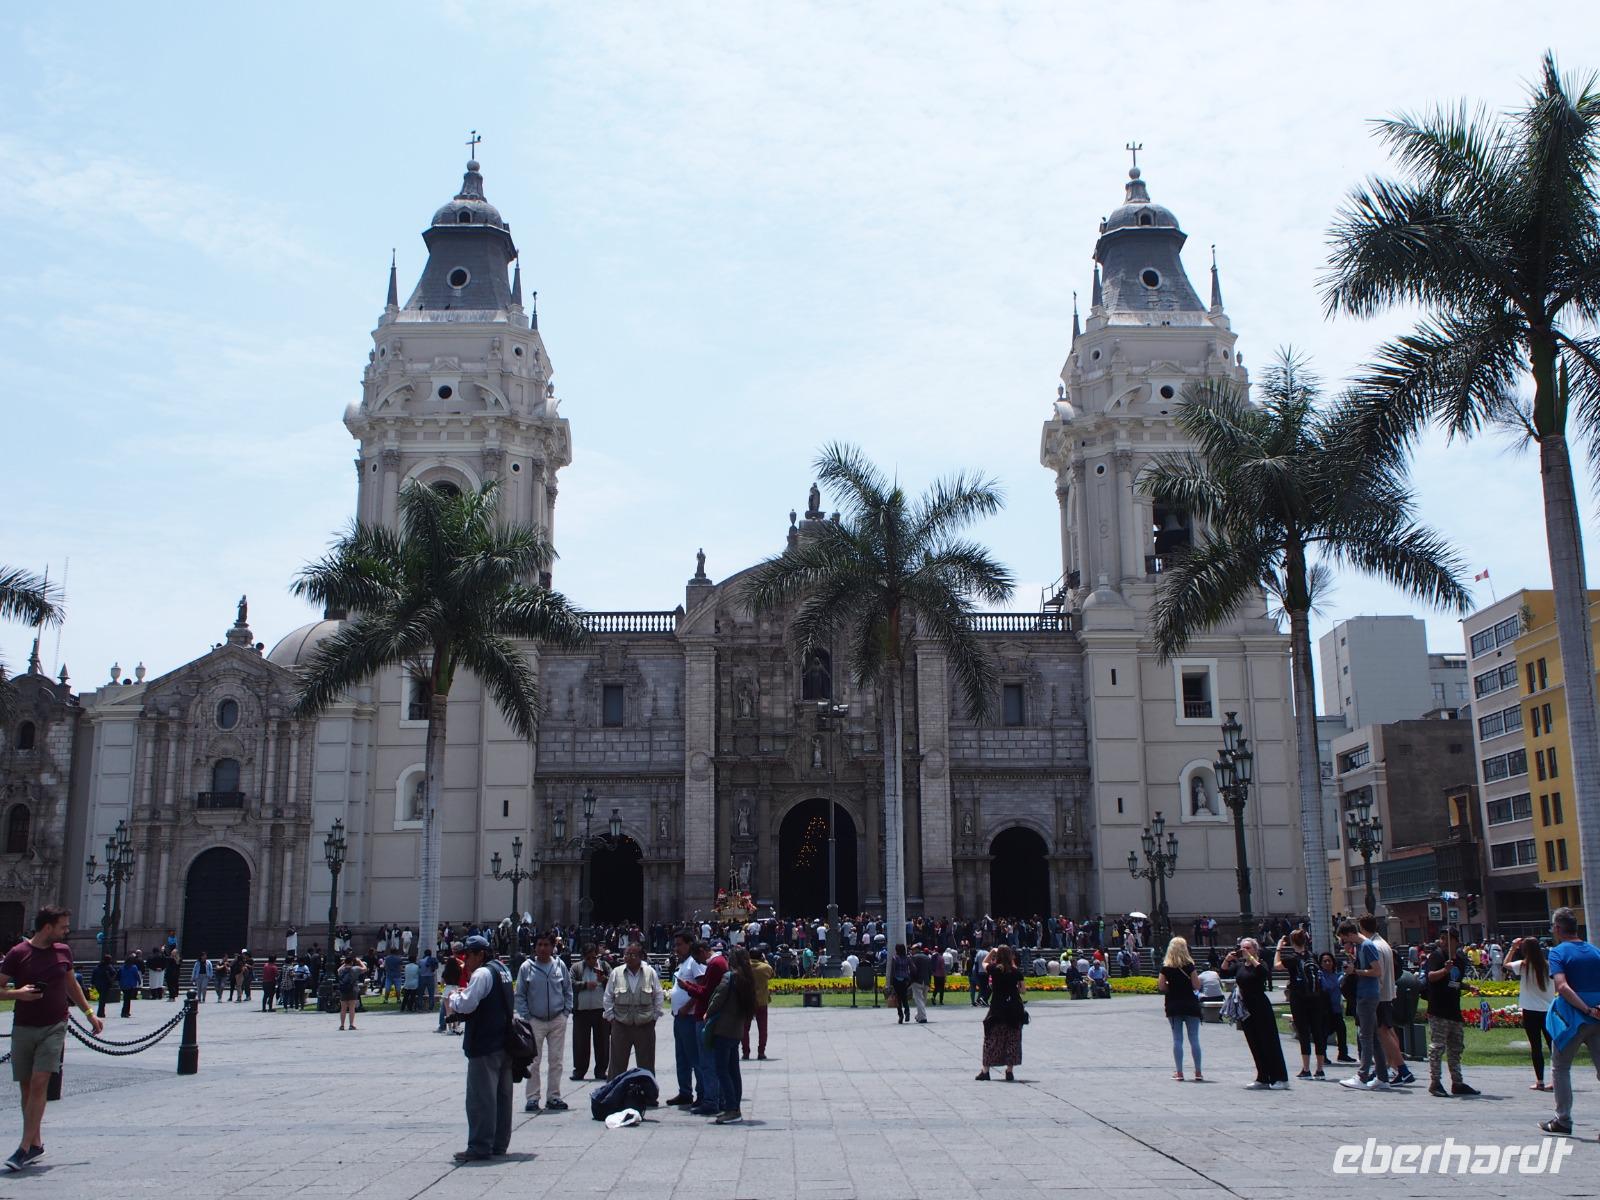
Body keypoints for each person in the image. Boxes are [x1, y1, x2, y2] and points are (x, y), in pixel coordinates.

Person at [0, 907, 103, 1171]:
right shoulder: (18, 953)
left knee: (39, 1081)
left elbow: (71, 984)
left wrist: (89, 1013)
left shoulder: (63, 952)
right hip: (24, 1026)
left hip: (55, 1025)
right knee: (26, 1088)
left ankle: (23, 1148)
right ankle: (36, 1143)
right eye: (63, 927)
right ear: (47, 927)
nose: (67, 931)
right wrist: (18, 994)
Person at [443, 935, 514, 1162]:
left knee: (481, 1097)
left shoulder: (482, 973)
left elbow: (468, 1003)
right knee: (502, 1097)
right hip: (504, 1042)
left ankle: (480, 1145)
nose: (466, 961)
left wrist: (454, 998)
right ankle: (499, 1143)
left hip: (485, 1043)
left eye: (469, 955)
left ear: (480, 954)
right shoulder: (502, 970)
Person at [1540, 906, 1600, 1137]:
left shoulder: (1558, 953)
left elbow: (1562, 987)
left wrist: (1585, 1008)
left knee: (1561, 1068)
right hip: (1598, 1018)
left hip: (1573, 1020)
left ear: (1557, 928)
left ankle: (1563, 1120)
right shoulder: (1595, 951)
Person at [514, 933, 572, 1113]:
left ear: (553, 947)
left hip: (557, 1019)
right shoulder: (527, 967)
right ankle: (532, 1097)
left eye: (546, 945)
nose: (542, 948)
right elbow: (520, 994)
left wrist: (565, 1012)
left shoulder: (559, 965)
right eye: (539, 944)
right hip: (534, 1021)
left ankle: (554, 1096)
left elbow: (567, 990)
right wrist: (526, 1017)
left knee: (556, 1060)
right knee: (533, 1061)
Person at [1422, 927, 1480, 1097]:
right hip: (1438, 1008)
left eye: (1447, 938)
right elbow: (1431, 977)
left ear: (1456, 940)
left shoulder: (1460, 958)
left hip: (1454, 1009)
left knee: (1456, 1047)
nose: (1443, 941)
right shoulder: (1437, 956)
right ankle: (1435, 1082)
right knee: (1437, 1047)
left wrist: (1466, 986)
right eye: (1441, 938)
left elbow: (1454, 982)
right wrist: (1444, 970)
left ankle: (1457, 1082)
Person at [1225, 938, 1288, 1090]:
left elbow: (1264, 973)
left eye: (1248, 947)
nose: (1244, 950)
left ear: (1255, 949)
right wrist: (1228, 959)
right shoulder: (1240, 965)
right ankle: (1263, 1077)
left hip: (1260, 1007)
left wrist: (1251, 958)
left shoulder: (1260, 963)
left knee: (1269, 1042)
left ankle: (1280, 1077)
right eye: (1242, 948)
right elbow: (1225, 970)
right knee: (1254, 1043)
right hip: (1246, 1009)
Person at [703, 946, 755, 1124]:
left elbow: (717, 998)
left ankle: (731, 1109)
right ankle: (735, 1107)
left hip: (723, 1028)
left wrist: (707, 1013)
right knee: (733, 1070)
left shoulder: (730, 977)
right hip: (737, 1028)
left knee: (722, 1070)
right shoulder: (748, 978)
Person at [679, 941, 728, 1116]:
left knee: (707, 1062)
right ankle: (720, 1099)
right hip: (711, 1016)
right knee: (714, 1061)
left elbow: (707, 993)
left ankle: (711, 1101)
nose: (698, 963)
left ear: (702, 951)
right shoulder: (720, 962)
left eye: (697, 958)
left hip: (705, 1016)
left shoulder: (715, 964)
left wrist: (688, 987)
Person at [604, 941, 663, 1078]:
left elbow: (658, 996)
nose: (628, 957)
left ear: (641, 956)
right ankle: (614, 1093)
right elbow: (608, 997)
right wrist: (611, 1018)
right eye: (626, 954)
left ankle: (647, 1094)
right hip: (621, 1024)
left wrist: (654, 1017)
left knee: (646, 1063)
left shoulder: (650, 973)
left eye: (632, 954)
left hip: (645, 1024)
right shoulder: (616, 973)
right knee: (617, 1063)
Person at [1275, 930, 1327, 1080]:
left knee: (1303, 1032)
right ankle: (1320, 1069)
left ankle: (1306, 1069)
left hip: (1299, 998)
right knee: (1318, 1031)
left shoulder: (1292, 958)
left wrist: (1279, 948)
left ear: (1292, 942)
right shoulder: (1313, 956)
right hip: (1316, 998)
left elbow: (1277, 965)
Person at [1505, 935, 1555, 1090]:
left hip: (1530, 1011)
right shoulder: (1549, 966)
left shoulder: (1523, 966)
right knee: (1553, 1046)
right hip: (1547, 1010)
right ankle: (1556, 1079)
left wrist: (1513, 947)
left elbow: (1505, 964)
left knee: (1536, 1047)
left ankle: (1539, 1081)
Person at [666, 933, 705, 1106]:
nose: (676, 948)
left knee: (694, 1057)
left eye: (679, 944)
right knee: (681, 1057)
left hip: (690, 1017)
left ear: (690, 944)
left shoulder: (694, 963)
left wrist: (687, 1007)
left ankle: (702, 1092)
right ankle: (685, 1092)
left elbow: (702, 988)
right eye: (675, 945)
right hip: (679, 1017)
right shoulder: (683, 963)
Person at [975, 944, 1025, 1082]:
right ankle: (1009, 1071)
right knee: (1012, 1040)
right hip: (1014, 1009)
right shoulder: (1016, 972)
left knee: (991, 1040)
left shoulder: (994, 970)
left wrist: (992, 951)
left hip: (997, 1009)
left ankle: (985, 1071)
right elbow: (1022, 990)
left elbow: (984, 962)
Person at [1158, 937, 1203, 1082]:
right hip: (1190, 1004)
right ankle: (1198, 1072)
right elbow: (1197, 986)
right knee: (1194, 1038)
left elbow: (1162, 987)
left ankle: (1180, 1072)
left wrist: (1173, 986)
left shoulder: (1166, 967)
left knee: (1177, 1039)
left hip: (1173, 1004)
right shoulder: (1190, 966)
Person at [570, 944, 610, 1082]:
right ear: (584, 958)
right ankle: (579, 1070)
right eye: (589, 958)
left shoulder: (604, 966)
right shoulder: (576, 968)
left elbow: (614, 982)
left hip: (601, 1010)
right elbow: (570, 983)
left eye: (594, 957)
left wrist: (603, 979)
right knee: (580, 1042)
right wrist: (585, 985)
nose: (592, 961)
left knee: (603, 1042)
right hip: (582, 1011)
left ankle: (601, 1070)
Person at [1315, 951, 1350, 1064]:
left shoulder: (1337, 974)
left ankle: (1343, 1054)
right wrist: (1341, 979)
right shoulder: (1320, 975)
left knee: (1341, 1030)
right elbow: (1327, 987)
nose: (1327, 963)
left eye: (1329, 960)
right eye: (1324, 961)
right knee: (1324, 1033)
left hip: (1336, 1009)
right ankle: (1323, 1055)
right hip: (1325, 1009)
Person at [741, 947, 773, 1060]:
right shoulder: (765, 967)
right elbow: (771, 974)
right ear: (761, 956)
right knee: (762, 1028)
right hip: (761, 1001)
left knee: (744, 1028)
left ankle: (745, 1052)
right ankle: (761, 1052)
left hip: (747, 1000)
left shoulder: (744, 967)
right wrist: (765, 961)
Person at [336, 954, 364, 1030]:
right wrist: (359, 961)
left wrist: (344, 964)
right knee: (352, 1008)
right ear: (352, 962)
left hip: (343, 989)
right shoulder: (355, 969)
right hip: (352, 989)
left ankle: (342, 1025)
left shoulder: (342, 970)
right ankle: (351, 1025)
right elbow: (365, 968)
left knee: (343, 1008)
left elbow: (338, 970)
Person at [887, 944, 912, 1023]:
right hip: (905, 980)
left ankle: (900, 1015)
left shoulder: (895, 958)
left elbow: (893, 971)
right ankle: (907, 1011)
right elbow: (913, 968)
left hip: (897, 980)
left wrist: (891, 982)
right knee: (904, 997)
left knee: (898, 998)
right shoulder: (907, 958)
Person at [909, 944, 932, 1024]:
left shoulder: (913, 958)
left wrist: (910, 981)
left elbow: (912, 970)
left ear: (916, 949)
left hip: (917, 981)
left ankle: (922, 1017)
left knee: (918, 1000)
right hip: (926, 981)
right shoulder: (927, 957)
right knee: (923, 1000)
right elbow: (930, 971)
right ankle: (918, 1015)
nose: (911, 951)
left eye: (912, 949)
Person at [117, 953, 143, 1019]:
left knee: (126, 998)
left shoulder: (122, 968)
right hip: (131, 985)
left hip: (123, 985)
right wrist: (139, 981)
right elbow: (136, 975)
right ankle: (125, 1012)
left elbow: (119, 976)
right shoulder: (134, 967)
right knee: (128, 999)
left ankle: (125, 1012)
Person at [90, 954, 114, 1020]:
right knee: (103, 999)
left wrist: (92, 983)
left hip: (98, 984)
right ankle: (100, 1013)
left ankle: (100, 1012)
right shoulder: (108, 966)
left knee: (102, 998)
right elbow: (114, 973)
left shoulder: (98, 966)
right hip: (105, 984)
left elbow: (93, 974)